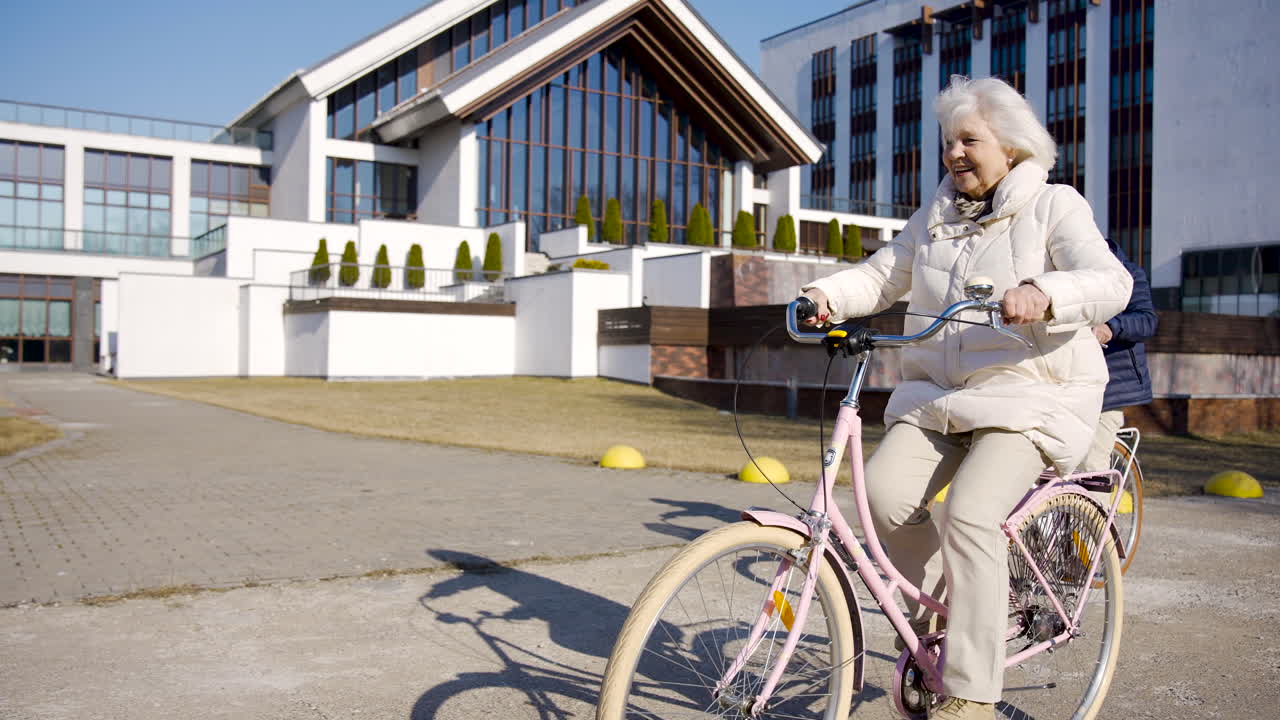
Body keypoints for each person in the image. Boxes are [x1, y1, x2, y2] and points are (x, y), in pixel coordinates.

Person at [798, 76, 1132, 720]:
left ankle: (973, 694)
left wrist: (1046, 292)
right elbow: (881, 275)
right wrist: (824, 297)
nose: (954, 153)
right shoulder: (936, 217)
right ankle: (932, 638)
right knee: (884, 504)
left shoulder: (1055, 205)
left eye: (969, 140)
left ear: (1011, 145)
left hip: (1030, 394)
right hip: (939, 397)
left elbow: (1110, 280)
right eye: (948, 142)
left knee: (972, 516)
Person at [1080, 238, 1159, 474]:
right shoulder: (1065, 272)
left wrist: (1111, 327)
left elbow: (1147, 321)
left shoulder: (1129, 273)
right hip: (1068, 380)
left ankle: (1097, 511)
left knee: (1091, 469)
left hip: (1110, 388)